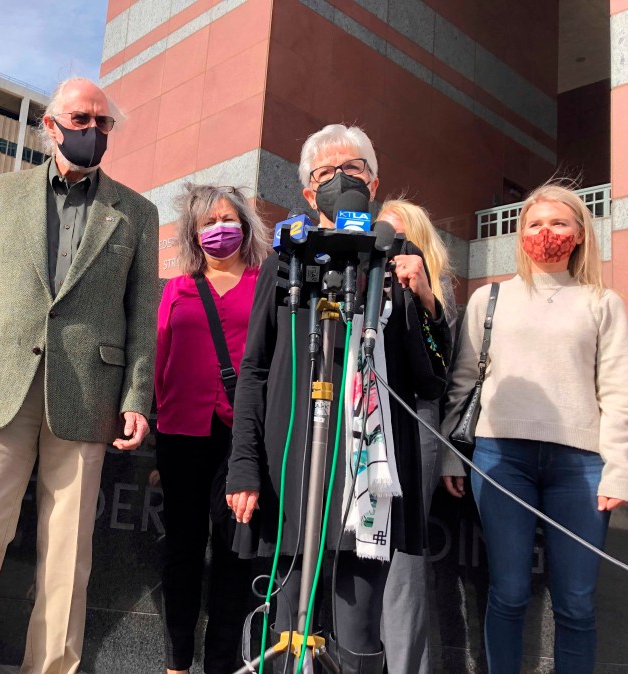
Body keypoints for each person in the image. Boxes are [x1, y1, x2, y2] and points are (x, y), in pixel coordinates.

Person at [0, 77, 158, 674]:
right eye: (81, 119)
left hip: (89, 395)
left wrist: (136, 395)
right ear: (50, 126)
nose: (93, 131)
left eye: (103, 123)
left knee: (67, 557)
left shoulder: (137, 212)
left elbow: (142, 316)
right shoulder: (0, 194)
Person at [226, 124, 451, 673]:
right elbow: (254, 367)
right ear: (307, 193)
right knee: (287, 631)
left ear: (373, 182)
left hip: (364, 473)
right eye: (324, 174)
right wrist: (244, 466)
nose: (339, 180)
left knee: (356, 633)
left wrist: (423, 298)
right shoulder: (287, 258)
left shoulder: (397, 258)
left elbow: (432, 378)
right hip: (292, 466)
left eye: (351, 169)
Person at [441, 183, 628, 673]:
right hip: (501, 458)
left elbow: (617, 392)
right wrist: (449, 455)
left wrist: (618, 470)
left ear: (582, 233)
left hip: (581, 465)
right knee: (507, 592)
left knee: (576, 603)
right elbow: (463, 382)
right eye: (535, 224)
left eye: (559, 223)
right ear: (519, 234)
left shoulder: (602, 303)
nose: (546, 233)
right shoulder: (489, 299)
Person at [156, 184, 271, 674]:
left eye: (228, 219)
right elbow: (160, 361)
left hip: (241, 439)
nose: (218, 228)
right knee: (181, 551)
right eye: (207, 222)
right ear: (193, 233)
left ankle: (222, 664)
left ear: (245, 227)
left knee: (233, 555)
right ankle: (177, 661)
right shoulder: (176, 288)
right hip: (180, 435)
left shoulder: (268, 284)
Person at [376, 199, 458, 674]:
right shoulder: (367, 277)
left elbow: (439, 371)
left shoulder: (434, 290)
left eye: (397, 232)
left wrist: (423, 295)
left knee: (404, 554)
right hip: (363, 418)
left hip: (415, 425)